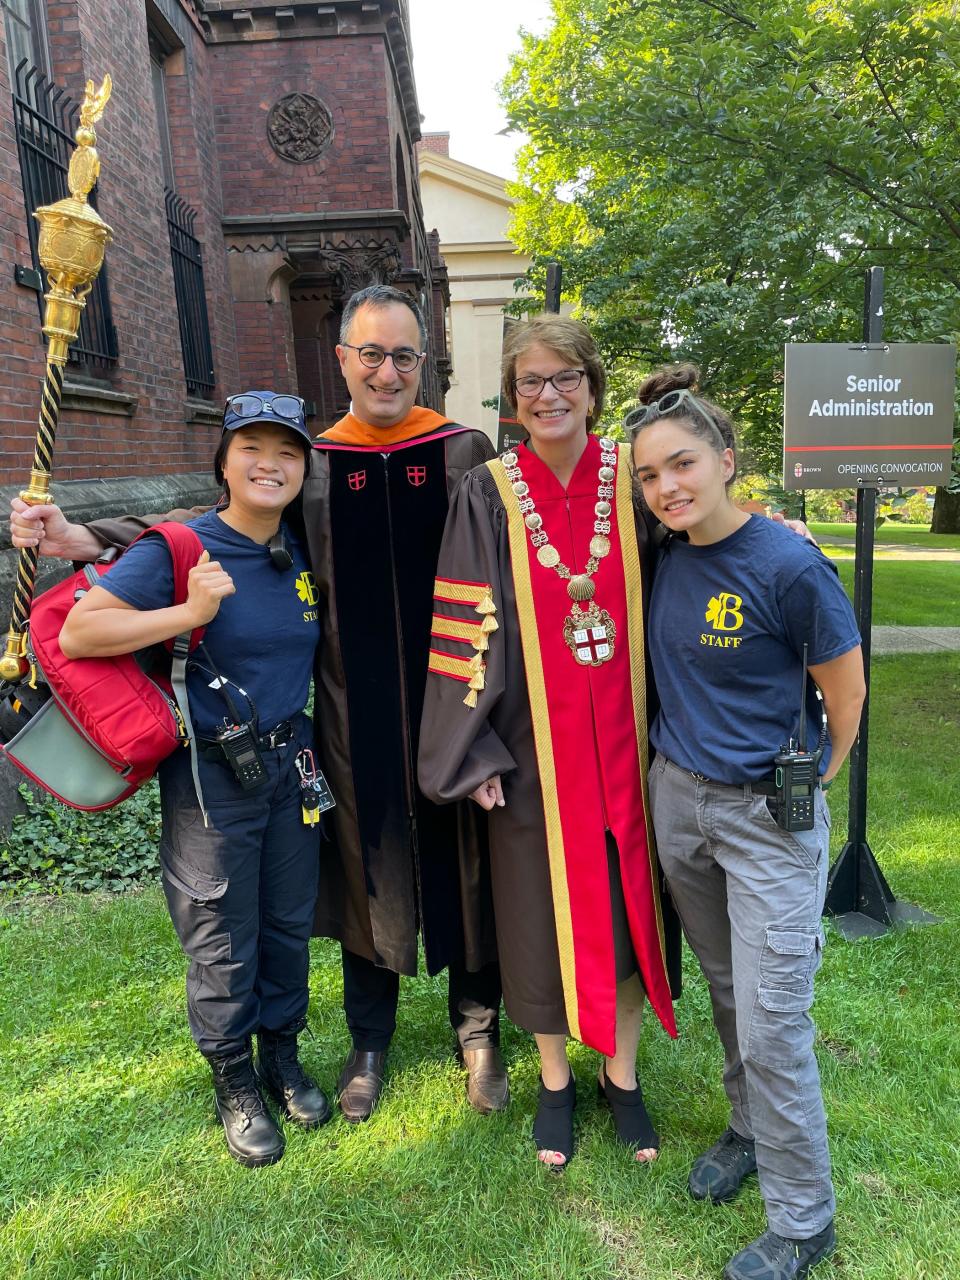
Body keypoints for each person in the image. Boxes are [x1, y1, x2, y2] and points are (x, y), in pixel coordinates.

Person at [10, 285, 506, 1124]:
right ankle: (368, 1040)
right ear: (342, 360)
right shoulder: (318, 465)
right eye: (371, 353)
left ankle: (479, 1031)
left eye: (405, 356)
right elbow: (212, 524)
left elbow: (518, 546)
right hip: (352, 716)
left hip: (454, 699)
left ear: (425, 364)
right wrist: (87, 538)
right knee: (363, 864)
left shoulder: (464, 453)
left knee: (467, 856)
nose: (388, 372)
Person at [418, 315, 681, 1170]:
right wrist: (473, 752)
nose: (549, 395)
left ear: (593, 387)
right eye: (531, 381)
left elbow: (698, 542)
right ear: (513, 397)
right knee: (538, 916)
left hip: (633, 754)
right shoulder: (488, 490)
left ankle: (625, 1079)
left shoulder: (631, 478)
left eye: (565, 377)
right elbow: (463, 626)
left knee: (627, 905)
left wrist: (769, 528)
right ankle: (557, 1082)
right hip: (532, 756)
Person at [628, 366, 865, 1280]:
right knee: (729, 989)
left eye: (682, 465)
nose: (667, 488)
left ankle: (805, 1221)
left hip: (768, 816)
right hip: (680, 802)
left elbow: (845, 702)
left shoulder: (789, 563)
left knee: (774, 1019)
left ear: (726, 460)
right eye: (650, 476)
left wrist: (806, 797)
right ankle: (749, 1129)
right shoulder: (663, 554)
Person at [57, 394, 330, 1168]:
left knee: (287, 920)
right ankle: (234, 1078)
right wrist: (186, 611)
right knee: (221, 933)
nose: (270, 464)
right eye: (253, 448)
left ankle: (281, 1054)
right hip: (212, 774)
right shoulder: (185, 546)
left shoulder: (298, 547)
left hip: (290, 762)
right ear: (224, 462)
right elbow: (83, 631)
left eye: (287, 452)